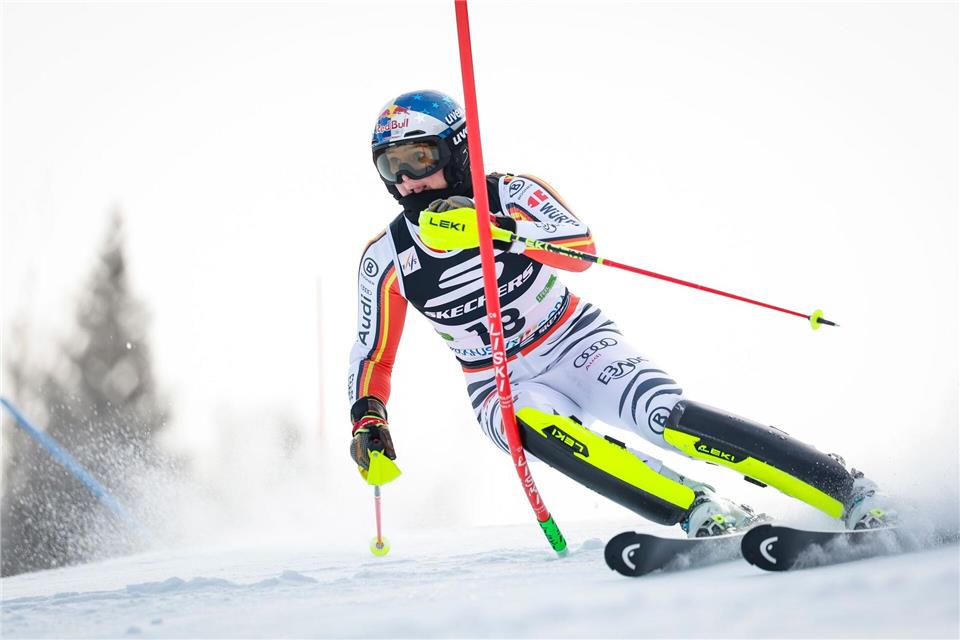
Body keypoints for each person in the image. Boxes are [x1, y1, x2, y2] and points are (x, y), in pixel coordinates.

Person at [348, 89, 893, 537]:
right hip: (495, 379)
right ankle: (698, 509)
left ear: (458, 150)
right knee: (530, 426)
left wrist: (498, 231)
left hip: (576, 342)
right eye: (391, 165)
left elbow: (580, 249)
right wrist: (368, 419)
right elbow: (373, 354)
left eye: (421, 158)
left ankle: (845, 489)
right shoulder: (385, 258)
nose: (408, 179)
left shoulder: (510, 192)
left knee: (664, 419)